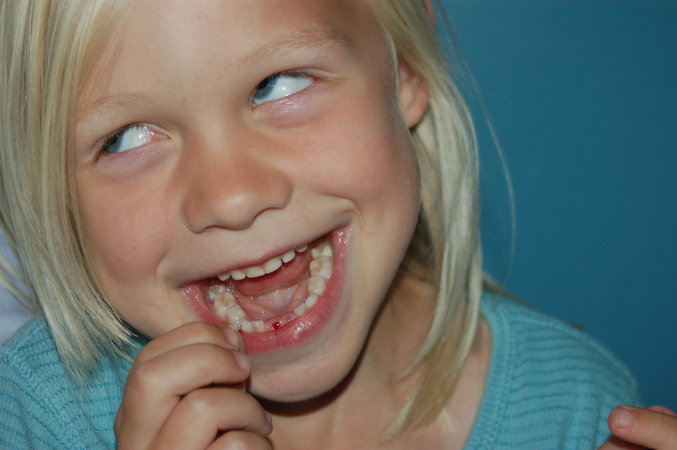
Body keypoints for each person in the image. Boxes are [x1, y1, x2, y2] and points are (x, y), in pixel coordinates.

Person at [0, 0, 674, 448]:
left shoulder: (576, 410)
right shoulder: (37, 414)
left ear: (405, 67)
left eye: (281, 84)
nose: (232, 198)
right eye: (125, 138)